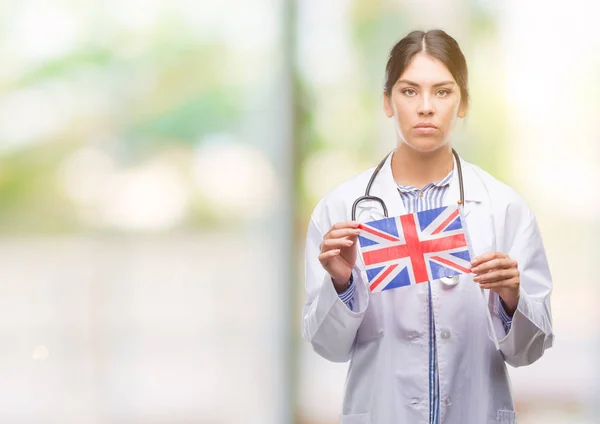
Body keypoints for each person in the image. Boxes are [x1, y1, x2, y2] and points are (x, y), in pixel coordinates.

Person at [301, 29, 554, 424]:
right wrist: (342, 285)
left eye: (442, 91)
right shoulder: (341, 209)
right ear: (387, 102)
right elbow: (328, 347)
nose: (425, 107)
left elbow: (528, 352)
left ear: (463, 102)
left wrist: (511, 298)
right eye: (409, 91)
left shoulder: (503, 208)